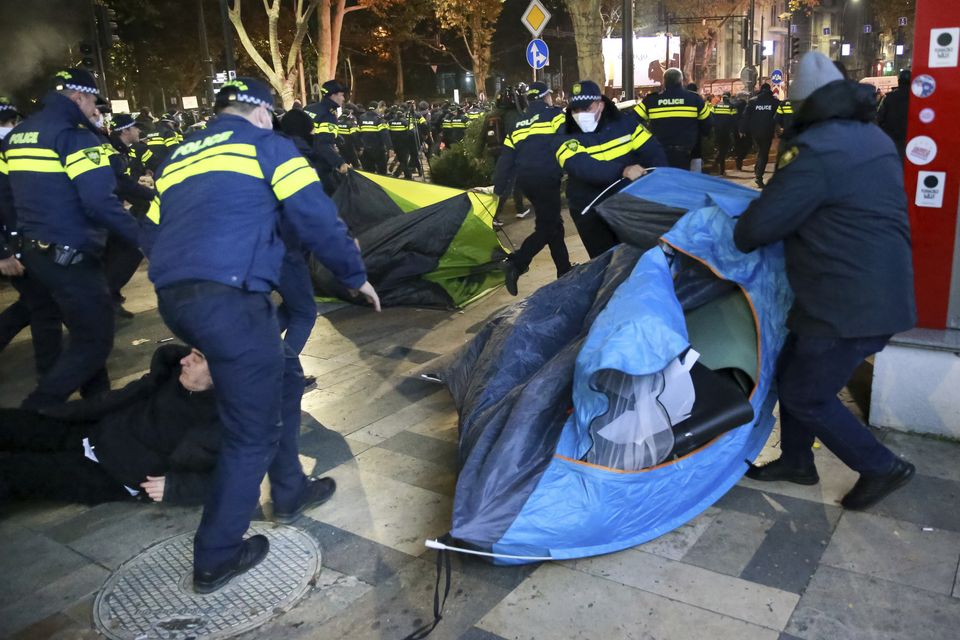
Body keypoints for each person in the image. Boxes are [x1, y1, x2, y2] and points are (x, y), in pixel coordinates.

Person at [145, 77, 380, 594]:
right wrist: (353, 274)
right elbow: (315, 213)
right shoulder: (267, 146)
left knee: (283, 382)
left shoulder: (179, 157)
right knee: (250, 434)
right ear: (260, 112)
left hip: (177, 297)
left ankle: (291, 488)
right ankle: (217, 555)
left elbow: (152, 229)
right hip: (229, 302)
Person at [733, 52, 916, 510]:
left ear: (803, 106)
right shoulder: (871, 136)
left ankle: (880, 466)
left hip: (846, 299)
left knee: (805, 393)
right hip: (871, 289)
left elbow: (755, 230)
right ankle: (797, 461)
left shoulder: (817, 151)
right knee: (793, 368)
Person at [0, 68, 141, 410]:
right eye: (93, 102)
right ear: (78, 97)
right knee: (94, 342)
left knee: (64, 334)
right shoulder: (74, 137)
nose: (95, 110)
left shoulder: (17, 138)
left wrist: (9, 245)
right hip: (72, 257)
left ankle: (97, 412)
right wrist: (146, 238)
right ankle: (37, 413)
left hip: (36, 254)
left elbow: (4, 197)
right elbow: (99, 202)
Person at [0, 344, 220, 506]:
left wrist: (176, 488)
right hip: (92, 431)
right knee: (11, 423)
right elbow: (117, 398)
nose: (185, 360)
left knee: (15, 472)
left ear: (222, 373)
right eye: (191, 353)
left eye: (198, 358)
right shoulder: (171, 373)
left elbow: (240, 477)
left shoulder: (228, 420)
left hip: (112, 473)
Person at [556, 80, 667, 258]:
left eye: (587, 108)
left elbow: (654, 153)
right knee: (605, 262)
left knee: (637, 259)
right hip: (590, 210)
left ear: (600, 104)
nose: (580, 114)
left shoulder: (626, 125)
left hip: (627, 205)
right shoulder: (564, 134)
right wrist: (623, 170)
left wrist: (656, 184)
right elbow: (581, 166)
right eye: (575, 110)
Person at [493, 82, 570, 295]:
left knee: (554, 224)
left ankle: (564, 271)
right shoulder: (555, 116)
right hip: (546, 178)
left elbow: (506, 160)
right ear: (546, 97)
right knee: (546, 228)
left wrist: (498, 189)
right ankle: (517, 263)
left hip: (526, 182)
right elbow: (568, 141)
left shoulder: (518, 124)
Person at [104, 113, 157, 319]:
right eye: (135, 128)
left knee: (118, 253)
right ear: (125, 131)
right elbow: (121, 185)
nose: (139, 131)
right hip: (105, 210)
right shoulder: (112, 151)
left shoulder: (121, 149)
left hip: (111, 208)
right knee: (133, 247)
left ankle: (112, 298)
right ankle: (107, 296)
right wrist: (151, 195)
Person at [635, 68, 711, 169]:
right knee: (682, 182)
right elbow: (708, 124)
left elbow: (633, 119)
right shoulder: (694, 99)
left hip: (660, 153)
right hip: (686, 154)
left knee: (664, 182)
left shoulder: (652, 100)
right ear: (681, 81)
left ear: (664, 81)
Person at [303, 80, 350, 193]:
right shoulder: (328, 115)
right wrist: (340, 163)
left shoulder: (309, 108)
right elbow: (323, 144)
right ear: (333, 95)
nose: (343, 99)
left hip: (299, 161)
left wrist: (337, 137)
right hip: (318, 166)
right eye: (342, 95)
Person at [740, 83, 779, 188]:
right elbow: (779, 116)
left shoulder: (753, 101)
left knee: (759, 151)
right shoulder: (774, 102)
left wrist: (742, 130)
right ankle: (758, 175)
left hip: (755, 132)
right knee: (763, 153)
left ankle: (757, 170)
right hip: (767, 131)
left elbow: (745, 116)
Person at [877, 69, 911, 159]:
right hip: (910, 141)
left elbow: (880, 117)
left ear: (899, 82)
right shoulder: (917, 99)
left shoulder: (890, 97)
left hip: (892, 141)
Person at [357, 101, 392, 174]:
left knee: (369, 173)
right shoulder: (379, 119)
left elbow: (357, 134)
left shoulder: (362, 118)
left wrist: (359, 147)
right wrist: (390, 148)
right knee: (382, 172)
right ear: (376, 109)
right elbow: (385, 135)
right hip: (378, 150)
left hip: (366, 150)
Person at [712, 93, 738, 176]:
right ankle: (719, 166)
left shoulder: (716, 106)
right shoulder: (732, 106)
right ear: (729, 98)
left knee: (720, 148)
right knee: (724, 149)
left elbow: (711, 116)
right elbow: (735, 119)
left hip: (717, 131)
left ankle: (720, 168)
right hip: (727, 131)